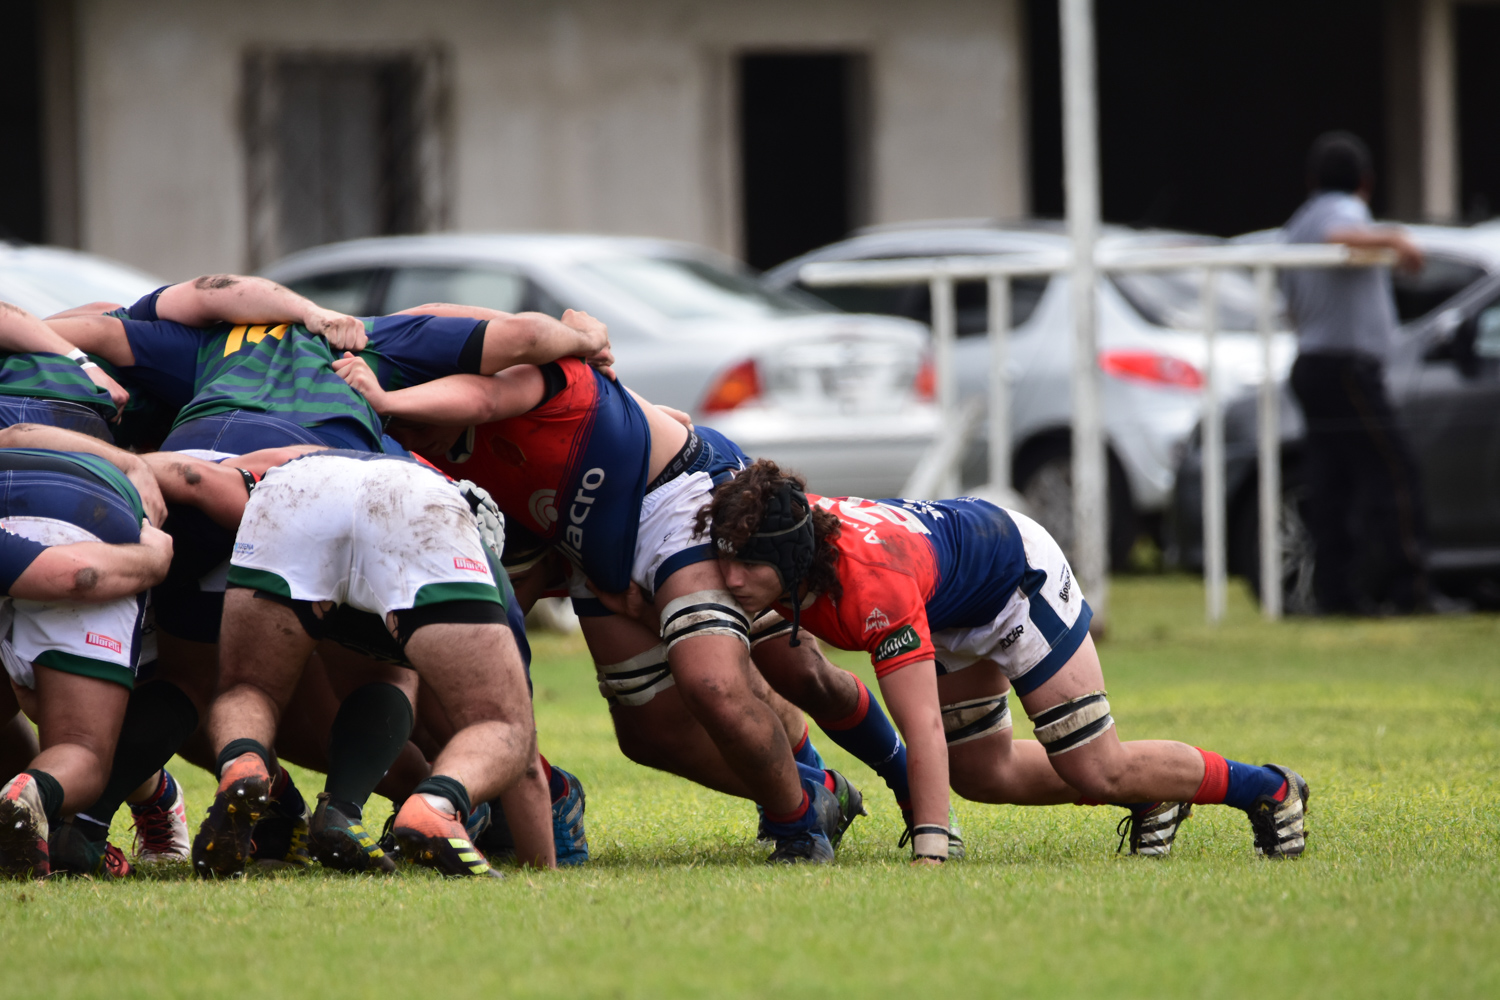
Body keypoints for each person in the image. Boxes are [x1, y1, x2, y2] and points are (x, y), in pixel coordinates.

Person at [334, 336, 863, 863]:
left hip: (666, 497)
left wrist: (387, 398)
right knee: (635, 729)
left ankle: (809, 815)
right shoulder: (417, 441)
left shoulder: (530, 369)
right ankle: (511, 803)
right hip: (573, 534)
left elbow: (525, 349)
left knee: (719, 679)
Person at [702, 461, 1312, 863]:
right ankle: (1153, 794)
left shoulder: (872, 590)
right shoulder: (781, 531)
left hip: (1016, 579)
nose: (729, 578)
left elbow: (923, 730)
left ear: (789, 559)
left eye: (744, 566)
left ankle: (1271, 788)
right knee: (982, 775)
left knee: (1100, 770)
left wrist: (930, 853)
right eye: (723, 559)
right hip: (947, 598)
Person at [178, 447, 550, 878]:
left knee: (250, 687)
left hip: (296, 489)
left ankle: (244, 764)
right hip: (416, 507)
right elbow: (525, 764)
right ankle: (435, 806)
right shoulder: (477, 560)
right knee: (505, 723)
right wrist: (544, 870)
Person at [0, 433, 174, 878]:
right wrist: (152, 559)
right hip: (89, 501)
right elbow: (77, 576)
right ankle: (30, 794)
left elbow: (77, 575)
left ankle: (41, 801)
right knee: (81, 749)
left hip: (82, 508)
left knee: (79, 734)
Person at [1283, 131, 1428, 614]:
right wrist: (1397, 239)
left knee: (1333, 486)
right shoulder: (1339, 211)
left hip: (1312, 365)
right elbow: (1340, 233)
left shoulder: (1297, 221)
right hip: (1344, 368)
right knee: (1396, 471)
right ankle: (1411, 591)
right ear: (1365, 183)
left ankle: (1338, 595)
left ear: (1309, 180)